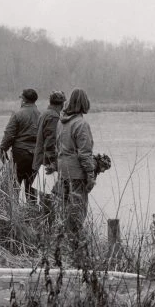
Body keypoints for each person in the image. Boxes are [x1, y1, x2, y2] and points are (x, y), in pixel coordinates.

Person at [56, 88, 95, 242]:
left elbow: (57, 146)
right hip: (76, 173)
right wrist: (90, 174)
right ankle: (76, 243)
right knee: (78, 211)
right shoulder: (81, 124)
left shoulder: (61, 122)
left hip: (62, 170)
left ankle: (64, 241)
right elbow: (84, 153)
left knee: (65, 209)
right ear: (85, 103)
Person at [0, 88, 40, 203]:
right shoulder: (41, 115)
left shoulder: (17, 114)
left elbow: (9, 135)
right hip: (35, 155)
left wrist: (3, 150)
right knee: (32, 188)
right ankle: (32, 210)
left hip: (19, 154)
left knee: (14, 185)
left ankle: (14, 210)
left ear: (24, 100)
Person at [32, 91, 66, 212]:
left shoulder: (45, 114)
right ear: (62, 104)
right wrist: (53, 163)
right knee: (48, 200)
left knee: (44, 198)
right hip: (47, 164)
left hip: (40, 160)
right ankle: (48, 221)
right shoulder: (54, 117)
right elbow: (50, 142)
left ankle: (43, 220)